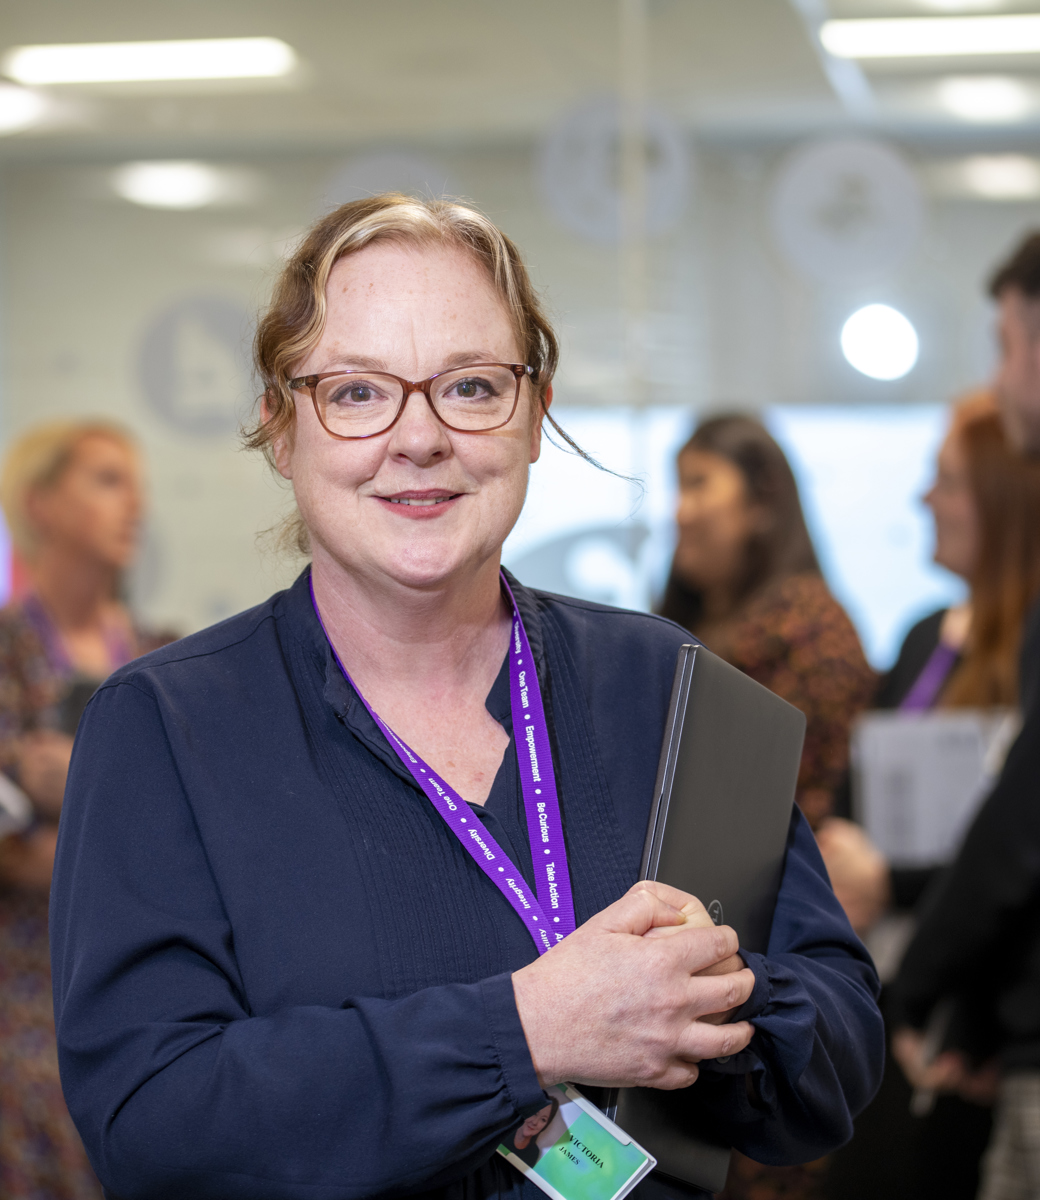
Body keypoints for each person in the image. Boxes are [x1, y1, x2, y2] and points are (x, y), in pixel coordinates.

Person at [49, 194, 882, 1200]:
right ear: (280, 425)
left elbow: (837, 1060)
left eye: (472, 386)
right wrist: (529, 1029)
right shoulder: (167, 728)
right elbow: (153, 1127)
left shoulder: (663, 685)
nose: (420, 438)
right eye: (357, 393)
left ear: (533, 415)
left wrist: (702, 997)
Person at [0, 421, 173, 1200]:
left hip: (139, 991)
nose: (136, 503)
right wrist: (133, 826)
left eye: (136, 481)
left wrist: (68, 787)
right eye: (106, 479)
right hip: (1, 1004)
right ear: (42, 504)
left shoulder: (165, 658)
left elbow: (196, 833)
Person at [893, 233, 1040, 1200]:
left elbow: (1022, 823)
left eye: (1009, 343)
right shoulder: (920, 640)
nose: (1004, 375)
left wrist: (916, 988)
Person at [658, 415, 877, 833]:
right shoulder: (686, 621)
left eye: (699, 484)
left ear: (760, 503)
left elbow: (780, 795)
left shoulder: (808, 625)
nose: (681, 513)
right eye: (679, 487)